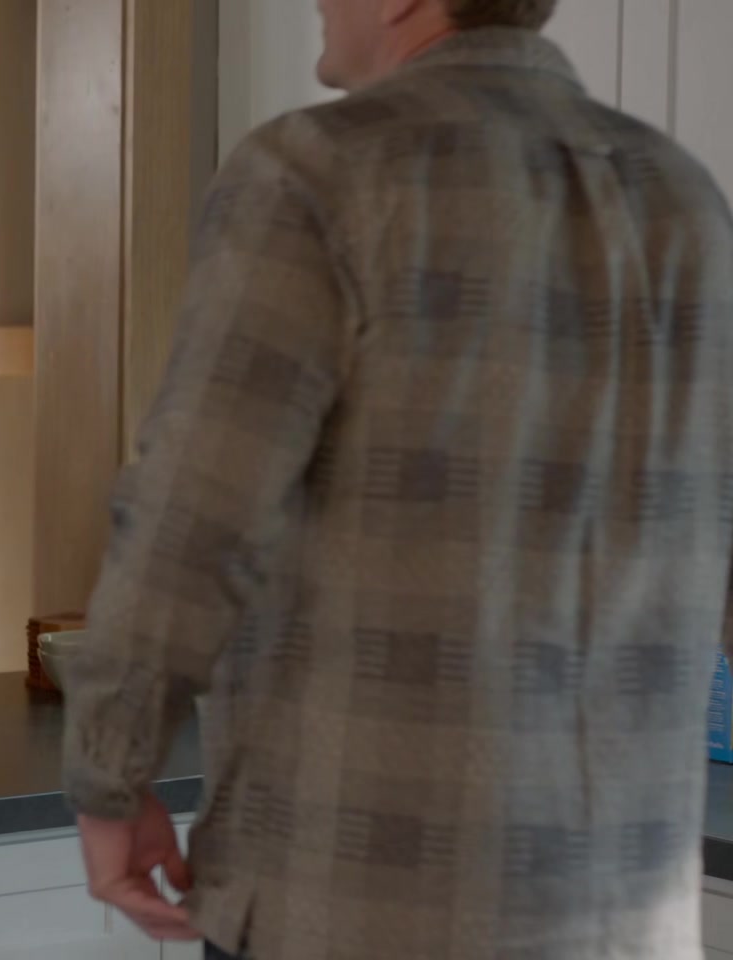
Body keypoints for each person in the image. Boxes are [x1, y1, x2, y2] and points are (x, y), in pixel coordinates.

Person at [60, 1, 733, 958]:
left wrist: (109, 776)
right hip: (622, 917)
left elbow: (192, 518)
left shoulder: (319, 171)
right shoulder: (684, 200)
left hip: (355, 903)